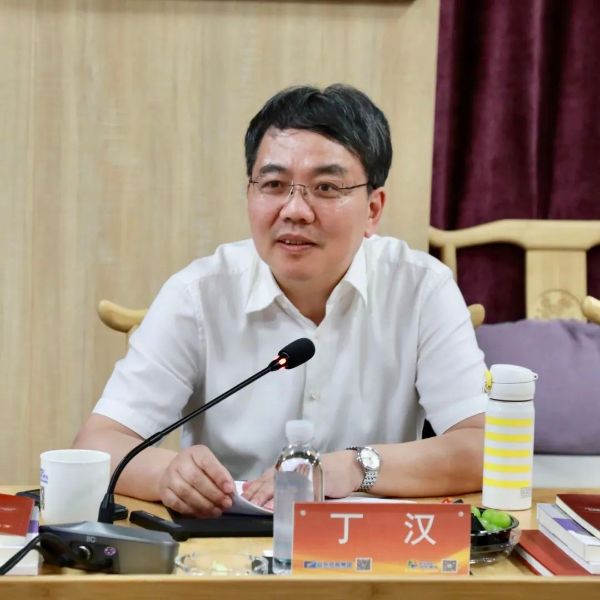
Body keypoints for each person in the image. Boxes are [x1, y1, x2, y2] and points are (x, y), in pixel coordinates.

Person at [74, 84, 486, 517]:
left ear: (373, 210)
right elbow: (98, 444)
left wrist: (353, 467)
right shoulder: (198, 295)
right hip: (223, 544)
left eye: (326, 187)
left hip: (370, 547)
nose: (295, 210)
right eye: (273, 184)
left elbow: (483, 447)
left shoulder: (422, 289)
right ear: (250, 194)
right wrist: (167, 474)